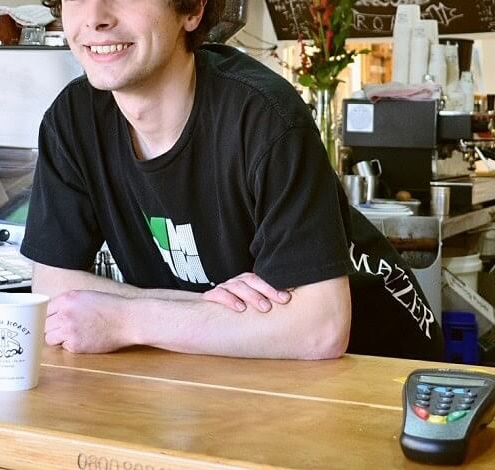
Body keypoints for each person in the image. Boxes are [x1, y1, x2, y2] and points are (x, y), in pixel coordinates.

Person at [22, 0, 443, 361]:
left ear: (192, 9)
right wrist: (202, 309)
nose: (94, 17)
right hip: (247, 368)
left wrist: (125, 318)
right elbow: (52, 284)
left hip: (380, 371)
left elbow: (320, 328)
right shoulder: (73, 119)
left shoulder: (264, 118)